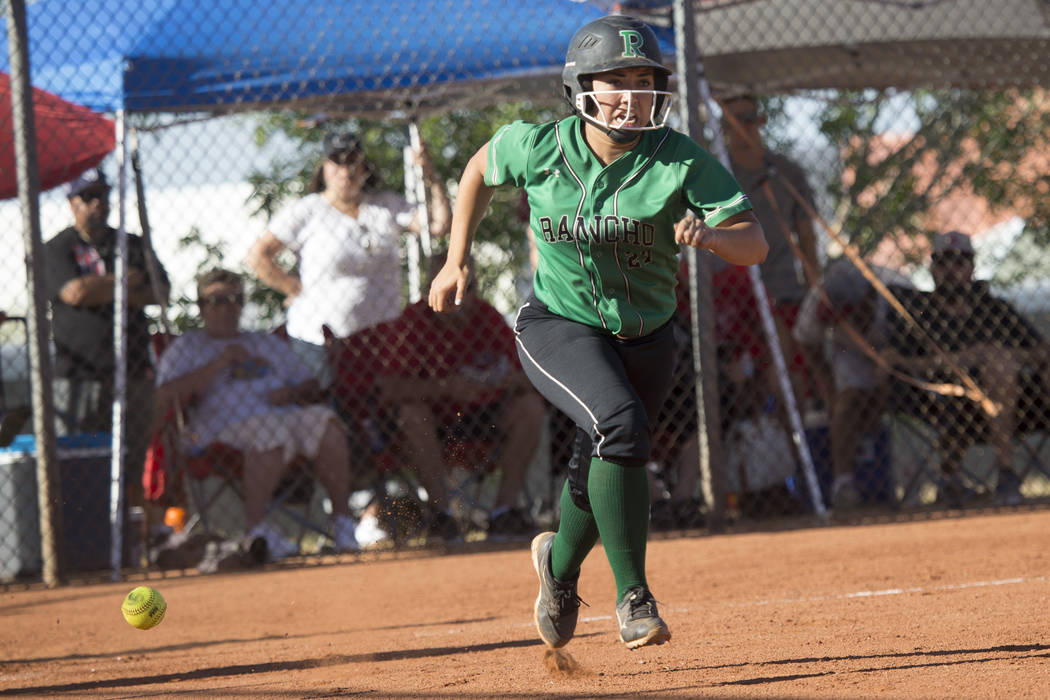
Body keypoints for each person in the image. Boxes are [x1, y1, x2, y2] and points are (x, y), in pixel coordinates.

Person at [428, 15, 767, 650]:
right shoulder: (538, 147)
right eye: (617, 81)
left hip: (650, 336)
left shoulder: (680, 158)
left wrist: (715, 238)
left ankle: (556, 571)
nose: (633, 95)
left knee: (605, 458)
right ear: (580, 86)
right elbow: (476, 170)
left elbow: (755, 243)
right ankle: (633, 598)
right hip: (559, 325)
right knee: (621, 424)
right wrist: (456, 259)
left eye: (645, 81)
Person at [154, 268, 365, 559]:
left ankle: (343, 524)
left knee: (324, 420)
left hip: (283, 415)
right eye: (217, 301)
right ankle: (256, 530)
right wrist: (218, 363)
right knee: (269, 430)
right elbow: (164, 395)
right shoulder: (187, 347)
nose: (228, 308)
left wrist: (290, 394)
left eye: (234, 300)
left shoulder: (265, 342)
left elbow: (310, 383)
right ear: (202, 308)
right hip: (219, 429)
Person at [245, 131, 451, 381]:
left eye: (352, 161)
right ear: (324, 168)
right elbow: (258, 255)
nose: (346, 171)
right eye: (337, 162)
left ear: (364, 166)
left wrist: (431, 177)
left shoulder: (385, 206)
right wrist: (292, 287)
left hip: (382, 340)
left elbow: (439, 225)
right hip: (322, 341)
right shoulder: (307, 211)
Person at [376, 256, 547, 541]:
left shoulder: (486, 316)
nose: (460, 298)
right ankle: (442, 516)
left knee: (530, 407)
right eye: (450, 288)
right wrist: (445, 387)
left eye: (468, 288)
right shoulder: (414, 321)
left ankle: (502, 512)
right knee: (410, 413)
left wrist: (509, 381)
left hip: (486, 419)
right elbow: (389, 389)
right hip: (437, 420)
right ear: (432, 289)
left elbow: (528, 375)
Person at [43, 167, 170, 512]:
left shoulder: (129, 242)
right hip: (80, 376)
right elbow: (74, 293)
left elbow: (161, 292)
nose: (99, 203)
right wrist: (125, 282)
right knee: (77, 463)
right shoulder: (56, 249)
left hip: (132, 370)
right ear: (72, 203)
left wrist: (102, 289)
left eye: (104, 194)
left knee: (132, 462)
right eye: (89, 196)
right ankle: (82, 545)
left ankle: (130, 544)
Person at [888, 231, 1040, 507]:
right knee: (993, 365)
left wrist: (1000, 356)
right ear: (932, 268)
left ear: (971, 268)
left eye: (959, 263)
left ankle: (1002, 473)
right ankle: (1003, 472)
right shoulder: (916, 311)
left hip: (1016, 405)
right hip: (942, 402)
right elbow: (893, 362)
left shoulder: (993, 309)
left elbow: (1041, 350)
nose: (951, 271)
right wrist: (965, 359)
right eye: (944, 263)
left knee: (1000, 364)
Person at [719, 93, 819, 414]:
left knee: (795, 372)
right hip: (735, 295)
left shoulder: (786, 172)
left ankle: (799, 445)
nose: (742, 127)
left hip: (783, 288)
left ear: (760, 122)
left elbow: (807, 237)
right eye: (733, 121)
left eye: (748, 118)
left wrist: (814, 291)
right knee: (753, 380)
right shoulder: (716, 174)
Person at [793, 258, 893, 509]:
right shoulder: (819, 298)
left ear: (868, 299)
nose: (840, 320)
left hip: (895, 355)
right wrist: (827, 384)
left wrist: (885, 375)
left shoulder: (891, 296)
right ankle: (843, 484)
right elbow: (807, 341)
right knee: (846, 404)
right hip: (848, 353)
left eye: (848, 313)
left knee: (876, 401)